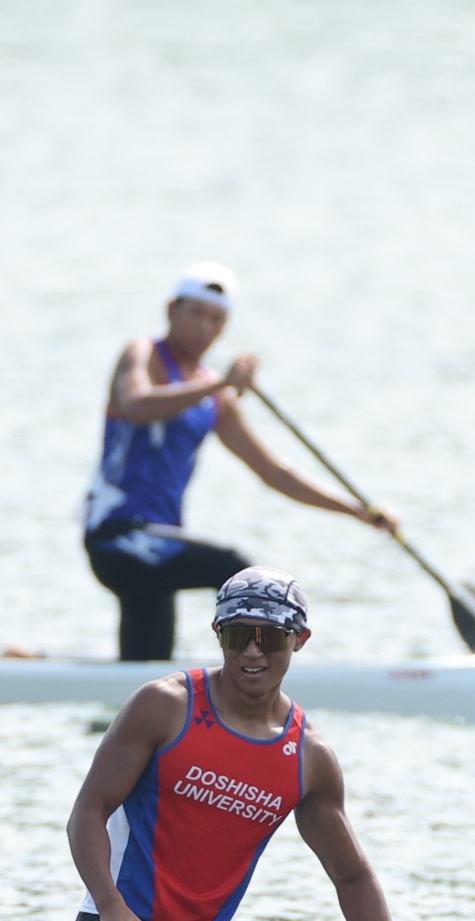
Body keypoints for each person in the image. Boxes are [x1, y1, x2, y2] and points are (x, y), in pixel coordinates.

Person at [67, 567, 456, 921]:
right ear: (217, 634)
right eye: (236, 636)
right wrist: (111, 904)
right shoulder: (165, 706)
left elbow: (354, 878)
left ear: (299, 640)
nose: (252, 652)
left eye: (269, 637)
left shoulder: (309, 758)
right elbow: (88, 810)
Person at [80, 263, 403, 661]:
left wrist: (357, 511)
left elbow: (273, 472)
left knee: (147, 667)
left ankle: (84, 677)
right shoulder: (144, 354)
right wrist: (220, 383)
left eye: (216, 319)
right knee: (239, 574)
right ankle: (255, 677)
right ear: (171, 310)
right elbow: (136, 405)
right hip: (118, 536)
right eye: (196, 313)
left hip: (160, 545)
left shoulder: (216, 398)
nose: (204, 327)